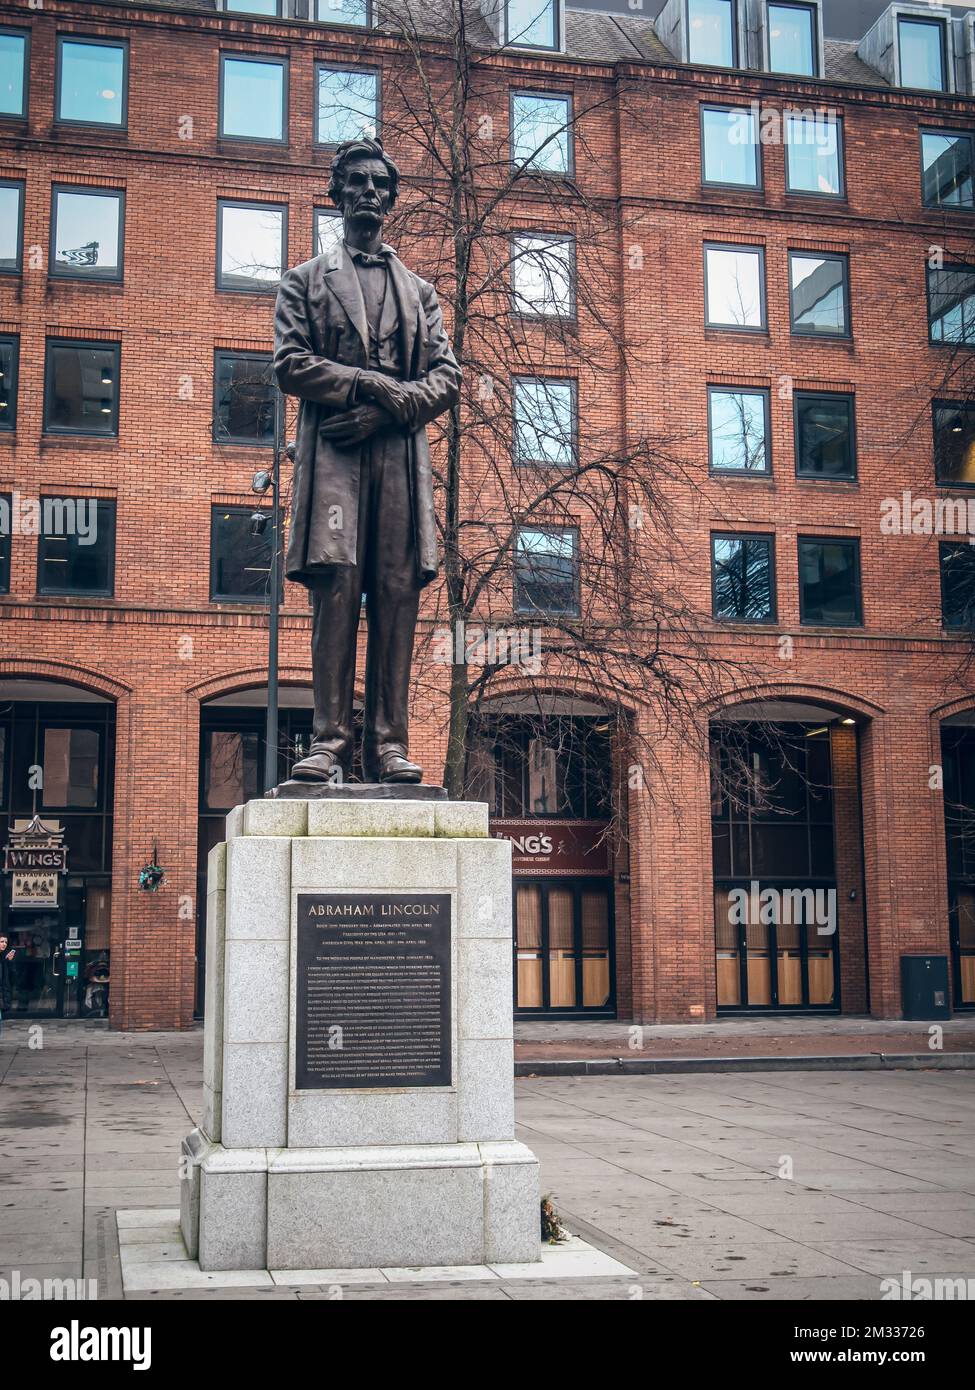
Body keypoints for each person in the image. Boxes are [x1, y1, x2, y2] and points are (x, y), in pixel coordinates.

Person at [274, 136, 461, 786]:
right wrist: (365, 382)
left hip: (397, 459)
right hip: (334, 459)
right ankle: (327, 741)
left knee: (395, 594)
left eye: (379, 184)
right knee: (335, 590)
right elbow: (290, 364)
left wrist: (385, 404)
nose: (368, 193)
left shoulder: (420, 292)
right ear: (337, 193)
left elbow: (446, 378)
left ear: (391, 198)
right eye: (356, 182)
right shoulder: (304, 281)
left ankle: (388, 743)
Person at [0, 932, 16, 1037]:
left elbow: (10, 977)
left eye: (6, 942)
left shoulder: (3, 958)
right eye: (1, 941)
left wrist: (9, 961)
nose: (4, 944)